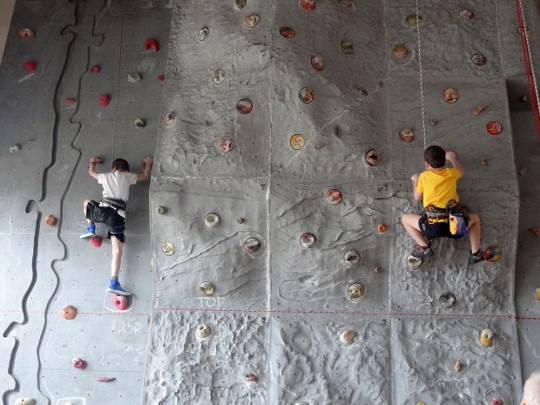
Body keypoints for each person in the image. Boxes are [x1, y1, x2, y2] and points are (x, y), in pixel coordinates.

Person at [80, 155, 153, 295]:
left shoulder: (105, 176)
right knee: (117, 251)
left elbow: (91, 172)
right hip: (117, 217)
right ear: (126, 170)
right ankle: (114, 282)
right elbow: (145, 176)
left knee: (86, 202)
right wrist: (148, 164)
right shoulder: (128, 176)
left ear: (113, 168)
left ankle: (91, 227)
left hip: (102, 212)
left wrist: (93, 162)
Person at [401, 145, 485, 265]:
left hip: (432, 229)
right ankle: (476, 253)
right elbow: (461, 172)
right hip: (456, 226)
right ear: (445, 161)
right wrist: (453, 159)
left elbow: (417, 197)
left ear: (426, 164)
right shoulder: (452, 173)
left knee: (405, 218)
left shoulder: (424, 177)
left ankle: (424, 247)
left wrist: (415, 180)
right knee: (475, 218)